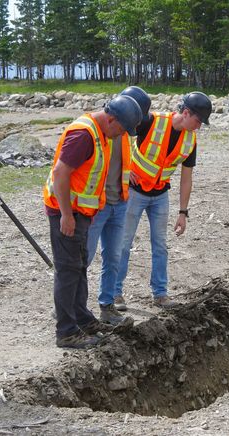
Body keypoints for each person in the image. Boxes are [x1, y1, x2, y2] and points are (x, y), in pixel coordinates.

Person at [43, 95, 143, 349]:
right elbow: (60, 174)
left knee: (78, 268)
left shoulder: (103, 134)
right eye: (120, 129)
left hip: (84, 213)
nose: (120, 135)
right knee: (67, 271)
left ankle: (83, 320)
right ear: (111, 119)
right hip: (68, 213)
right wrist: (66, 214)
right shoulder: (84, 135)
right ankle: (66, 332)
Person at [115, 91, 212, 308]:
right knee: (123, 243)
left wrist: (183, 212)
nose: (199, 126)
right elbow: (119, 133)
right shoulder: (150, 121)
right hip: (134, 192)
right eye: (198, 121)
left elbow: (187, 178)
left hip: (160, 195)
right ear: (186, 113)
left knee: (160, 246)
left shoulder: (190, 141)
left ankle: (160, 294)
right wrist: (124, 168)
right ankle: (115, 293)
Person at [86, 86, 151, 318]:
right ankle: (70, 305)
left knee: (113, 257)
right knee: (84, 257)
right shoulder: (96, 130)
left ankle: (107, 305)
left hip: (119, 202)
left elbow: (125, 160)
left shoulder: (123, 133)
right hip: (95, 205)